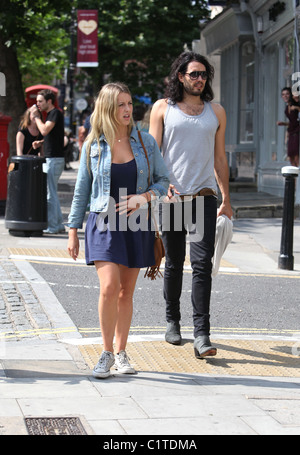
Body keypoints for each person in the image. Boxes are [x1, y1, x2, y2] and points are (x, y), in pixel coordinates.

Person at [67, 82, 169, 379]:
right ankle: (106, 352)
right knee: (109, 287)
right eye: (120, 105)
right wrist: (73, 229)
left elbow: (163, 181)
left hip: (137, 224)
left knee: (126, 292)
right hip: (103, 222)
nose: (127, 110)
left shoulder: (146, 142)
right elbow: (81, 190)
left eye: (129, 104)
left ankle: (122, 353)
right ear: (108, 109)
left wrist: (144, 197)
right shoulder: (93, 145)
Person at [149, 51, 233, 359]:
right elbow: (152, 153)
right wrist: (158, 186)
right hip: (172, 199)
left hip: (203, 198)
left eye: (204, 74)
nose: (200, 79)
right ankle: (173, 320)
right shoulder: (163, 109)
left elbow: (220, 158)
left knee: (202, 266)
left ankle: (202, 334)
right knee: (173, 263)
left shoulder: (217, 112)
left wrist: (227, 198)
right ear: (180, 76)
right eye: (194, 74)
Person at [30, 89, 65, 234]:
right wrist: (42, 142)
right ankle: (59, 225)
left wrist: (36, 117)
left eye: (40, 101)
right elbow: (53, 135)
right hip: (53, 158)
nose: (37, 103)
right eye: (37, 101)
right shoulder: (52, 114)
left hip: (54, 159)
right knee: (52, 192)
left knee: (50, 194)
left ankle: (53, 226)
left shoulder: (54, 113)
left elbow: (44, 130)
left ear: (49, 101)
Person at [277, 87, 299, 167]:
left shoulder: (296, 104)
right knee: (290, 157)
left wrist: (297, 108)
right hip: (291, 132)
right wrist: (284, 123)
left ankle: (298, 178)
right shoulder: (287, 107)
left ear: (291, 95)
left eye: (287, 94)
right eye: (283, 94)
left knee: (297, 156)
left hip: (297, 133)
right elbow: (293, 122)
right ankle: (294, 178)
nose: (285, 96)